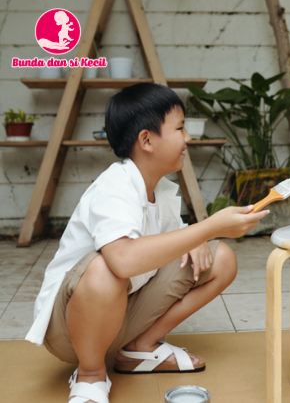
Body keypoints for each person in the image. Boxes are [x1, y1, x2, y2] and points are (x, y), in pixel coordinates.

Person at [25, 83, 269, 403]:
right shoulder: (115, 185)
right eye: (180, 128)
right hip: (69, 329)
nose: (187, 138)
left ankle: (140, 347)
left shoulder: (163, 191)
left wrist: (197, 236)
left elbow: (174, 243)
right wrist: (207, 227)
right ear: (146, 140)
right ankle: (90, 374)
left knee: (219, 258)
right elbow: (124, 260)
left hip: (121, 315)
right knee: (106, 268)